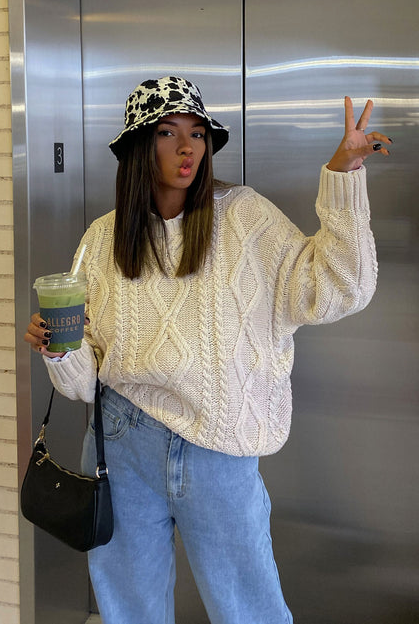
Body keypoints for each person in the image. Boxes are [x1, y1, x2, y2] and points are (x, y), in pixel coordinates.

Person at [24, 76, 390, 624]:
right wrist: (58, 348)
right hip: (120, 446)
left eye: (197, 133)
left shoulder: (245, 217)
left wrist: (344, 175)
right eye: (167, 132)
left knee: (250, 612)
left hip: (220, 450)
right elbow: (82, 383)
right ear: (138, 146)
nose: (187, 147)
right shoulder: (102, 239)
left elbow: (342, 287)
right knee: (129, 612)